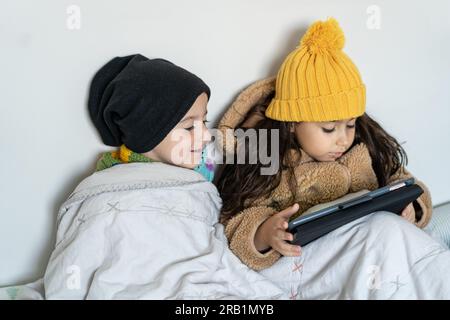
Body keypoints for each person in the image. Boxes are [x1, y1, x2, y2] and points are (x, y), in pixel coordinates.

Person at [216, 18, 432, 271]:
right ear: (292, 122)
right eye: (328, 128)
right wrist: (264, 234)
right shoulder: (268, 160)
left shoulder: (365, 149)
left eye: (350, 124)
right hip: (317, 266)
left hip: (380, 250)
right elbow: (235, 222)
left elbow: (404, 182)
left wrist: (412, 208)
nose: (343, 138)